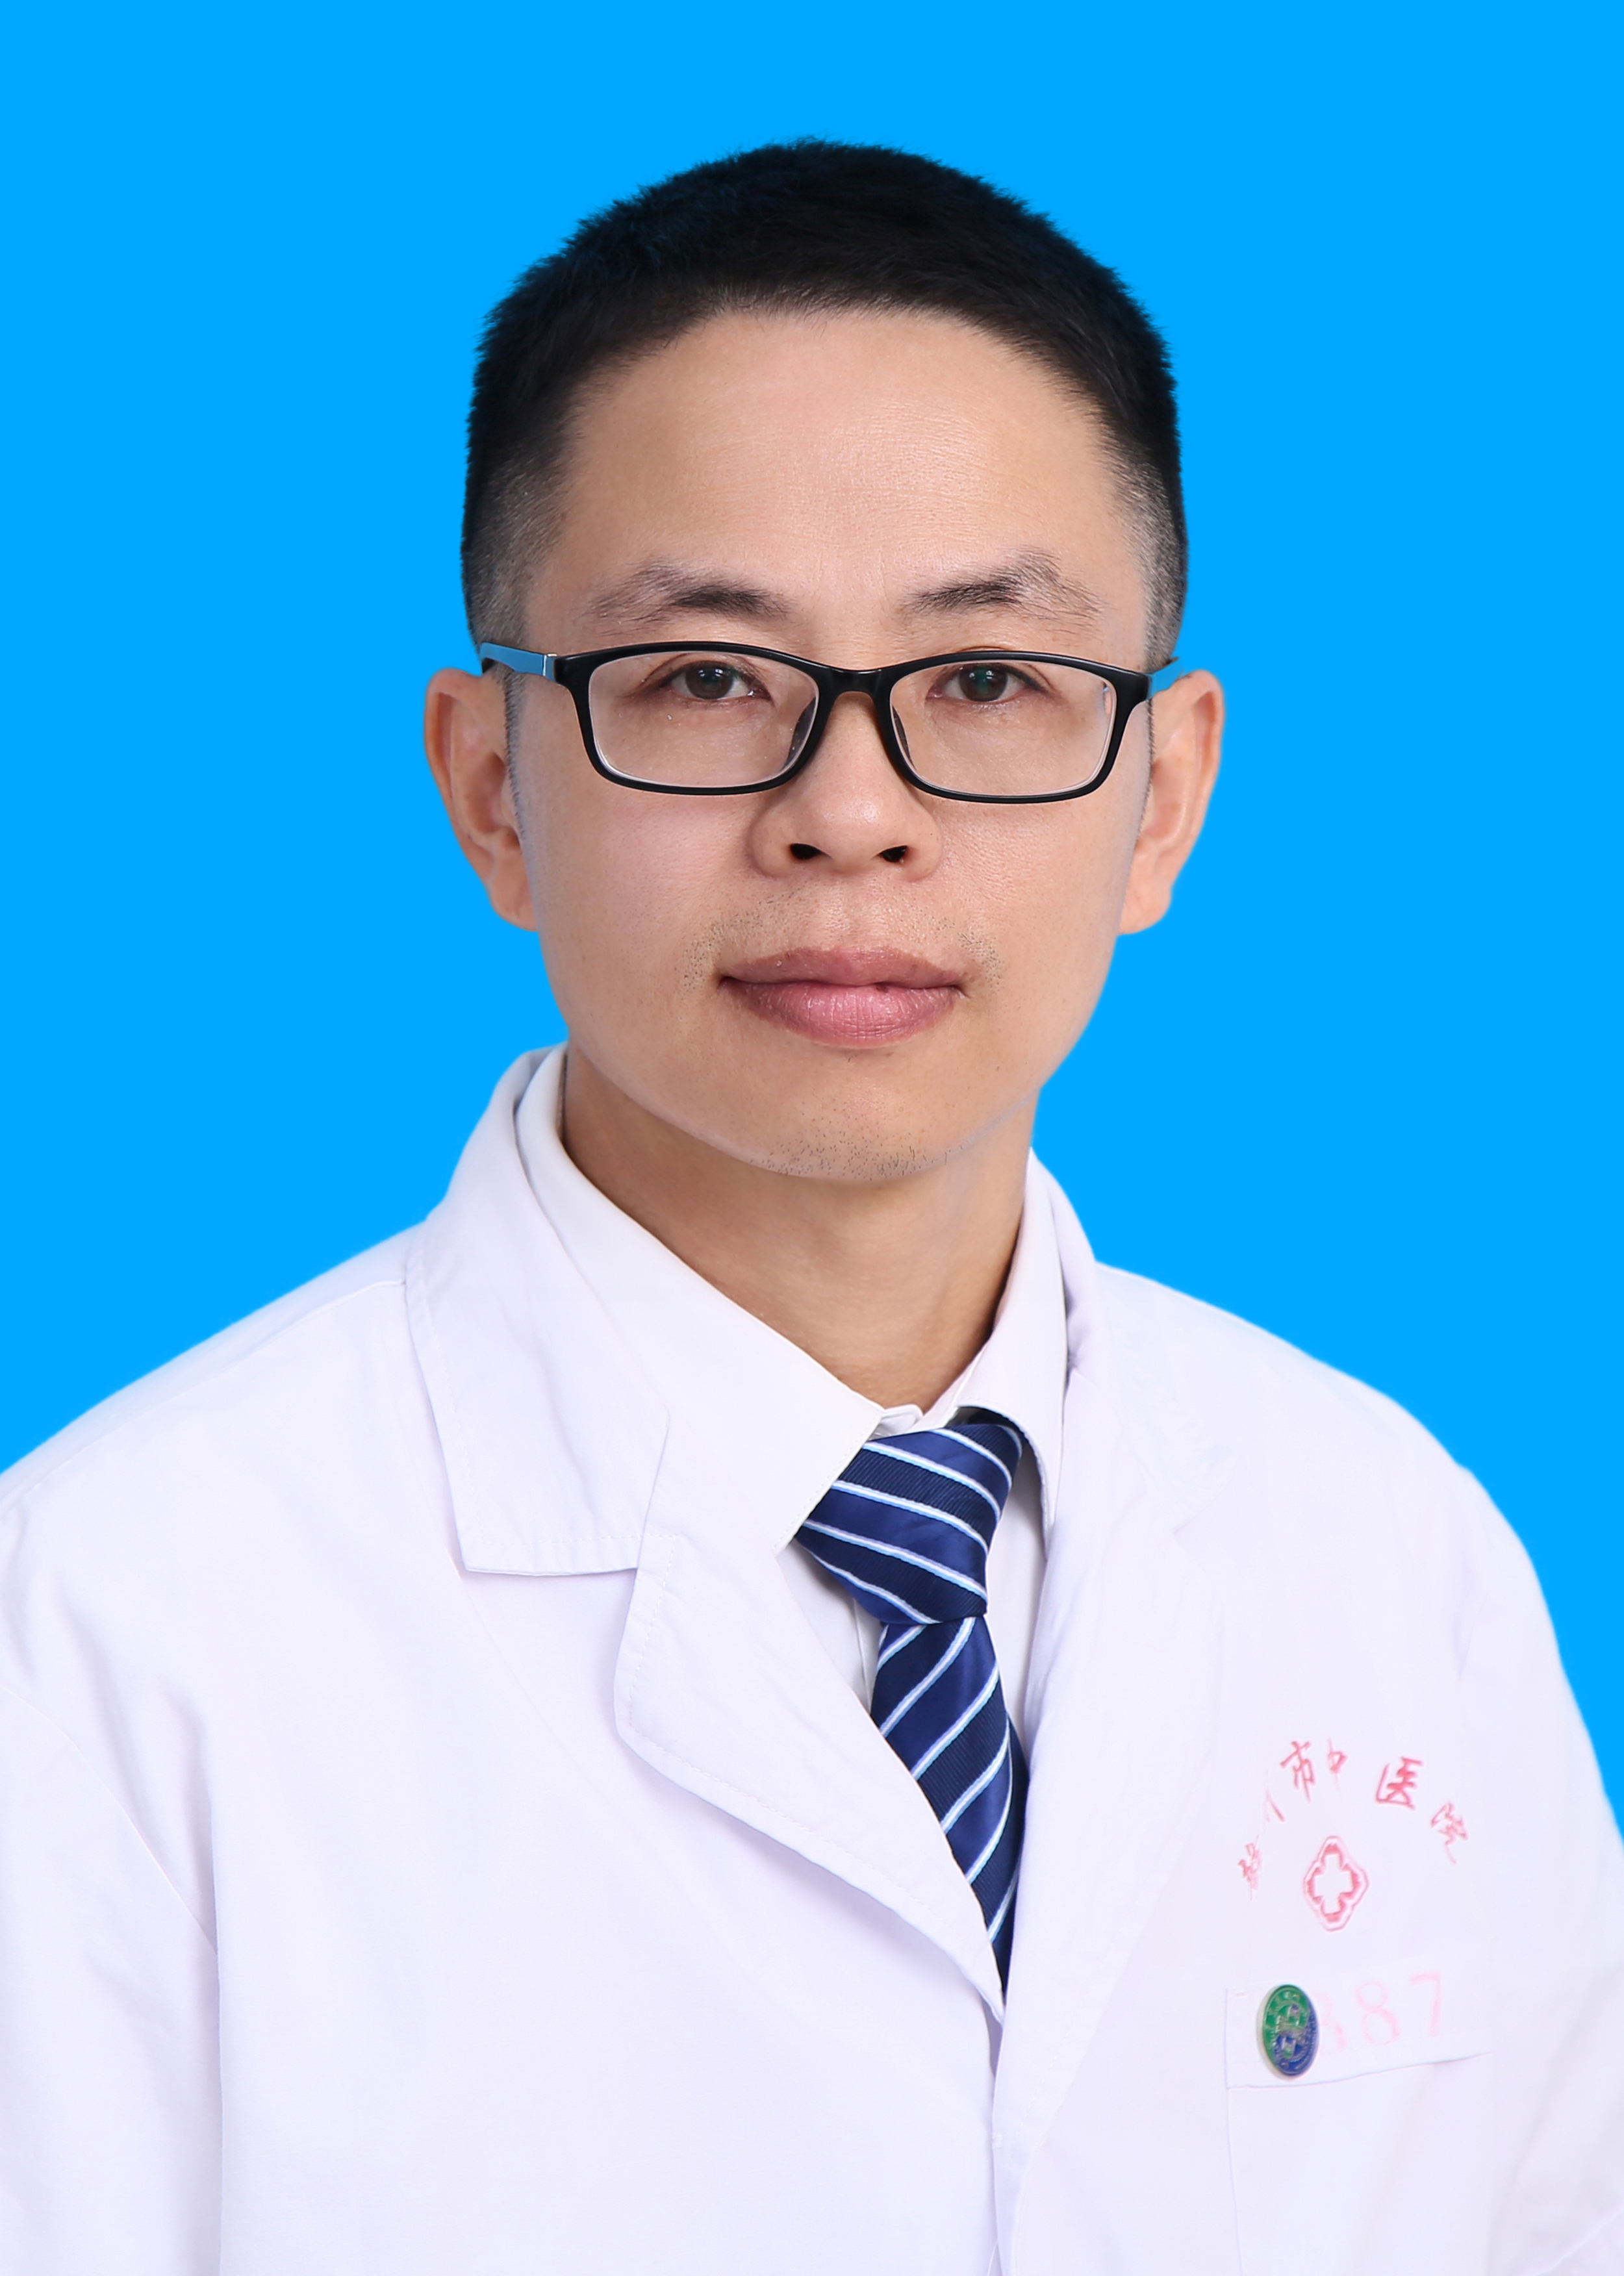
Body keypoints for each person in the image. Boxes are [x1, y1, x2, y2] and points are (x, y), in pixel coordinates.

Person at [1, 140, 1619, 2276]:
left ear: (1161, 795)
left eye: (984, 685)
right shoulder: (103, 1635)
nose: (848, 815)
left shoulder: (1392, 1551)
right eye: (704, 680)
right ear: (492, 787)